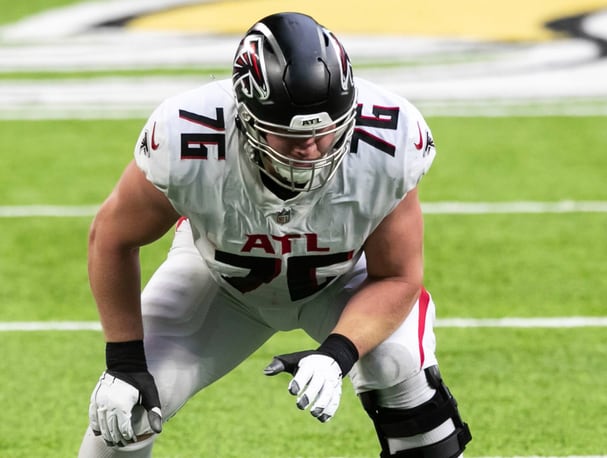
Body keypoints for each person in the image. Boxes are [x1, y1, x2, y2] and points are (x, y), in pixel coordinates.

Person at [77, 11, 471, 458]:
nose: (311, 148)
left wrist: (338, 353)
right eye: (288, 136)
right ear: (245, 117)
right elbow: (112, 237)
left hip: (341, 282)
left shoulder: (389, 139)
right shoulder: (187, 134)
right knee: (123, 412)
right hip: (218, 279)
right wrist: (124, 360)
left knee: (394, 362)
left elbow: (398, 277)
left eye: (325, 131)